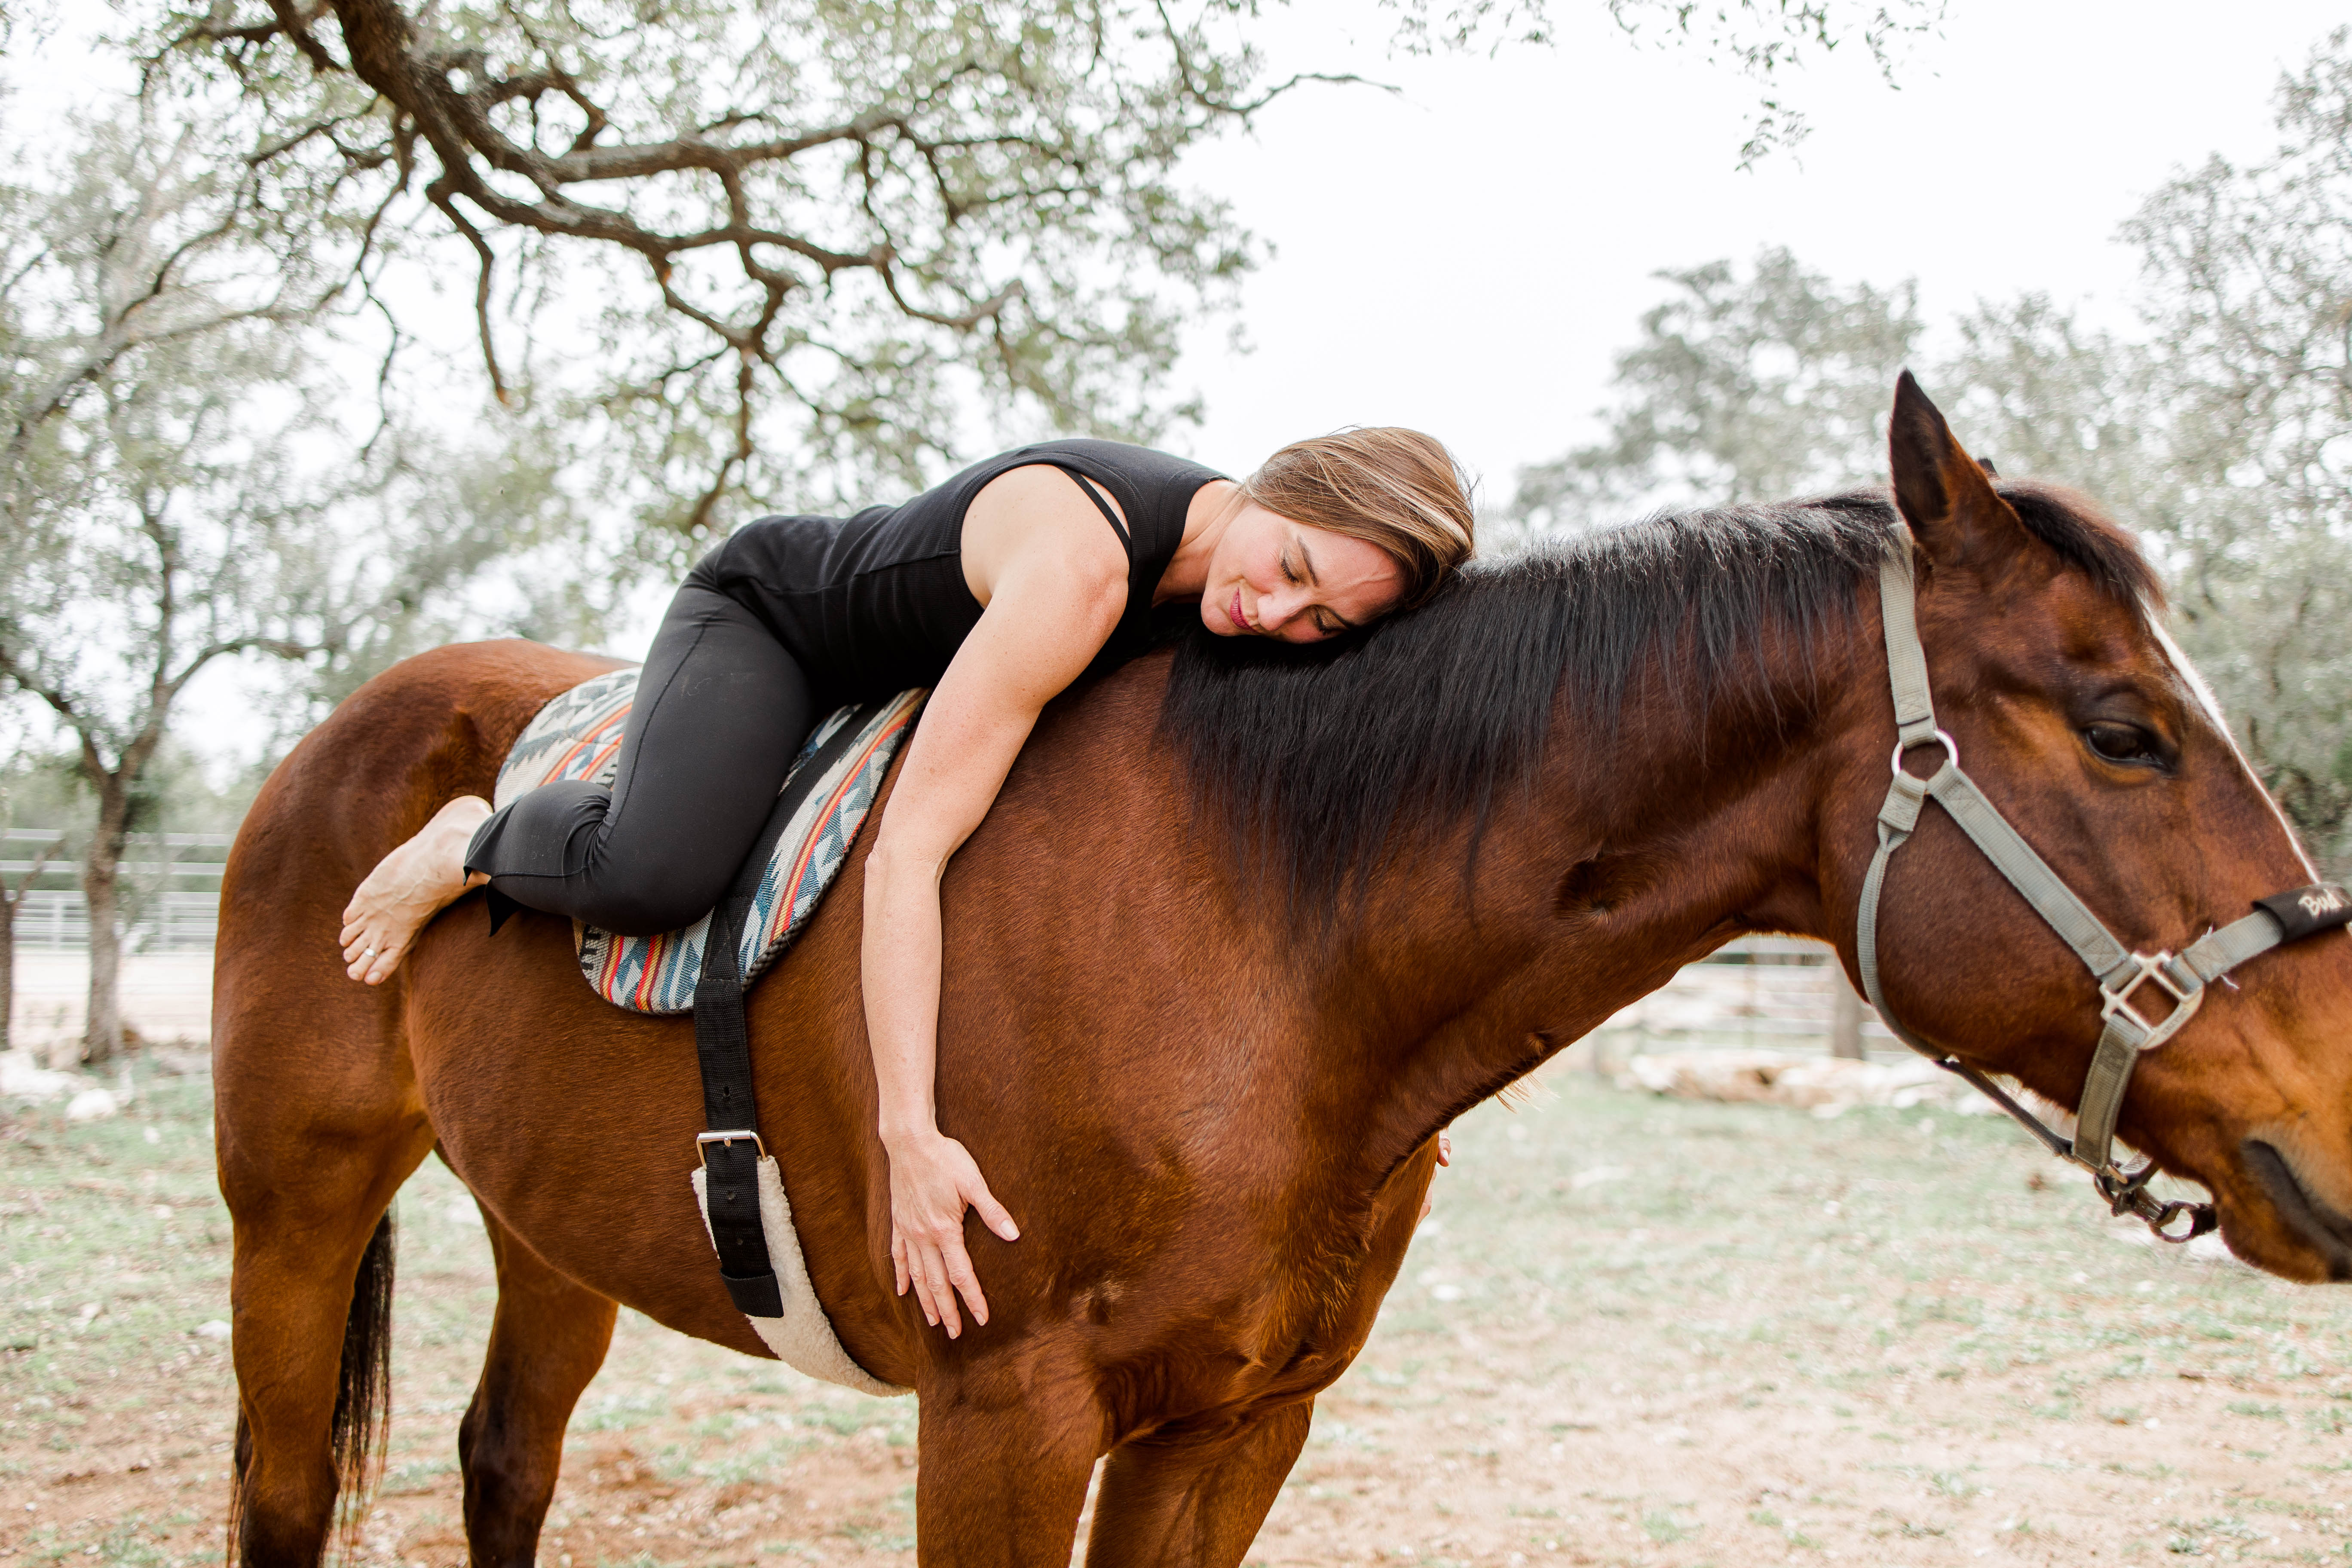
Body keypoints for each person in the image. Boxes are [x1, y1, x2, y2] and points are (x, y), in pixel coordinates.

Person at [336, 430, 1476, 1337]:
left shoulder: (1226, 593)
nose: (1275, 616)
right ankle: (476, 842)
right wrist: (910, 1138)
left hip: (918, 670)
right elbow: (908, 854)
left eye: (1323, 621)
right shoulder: (1079, 576)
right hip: (777, 625)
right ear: (1280, 481)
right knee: (654, 869)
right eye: (1292, 570)